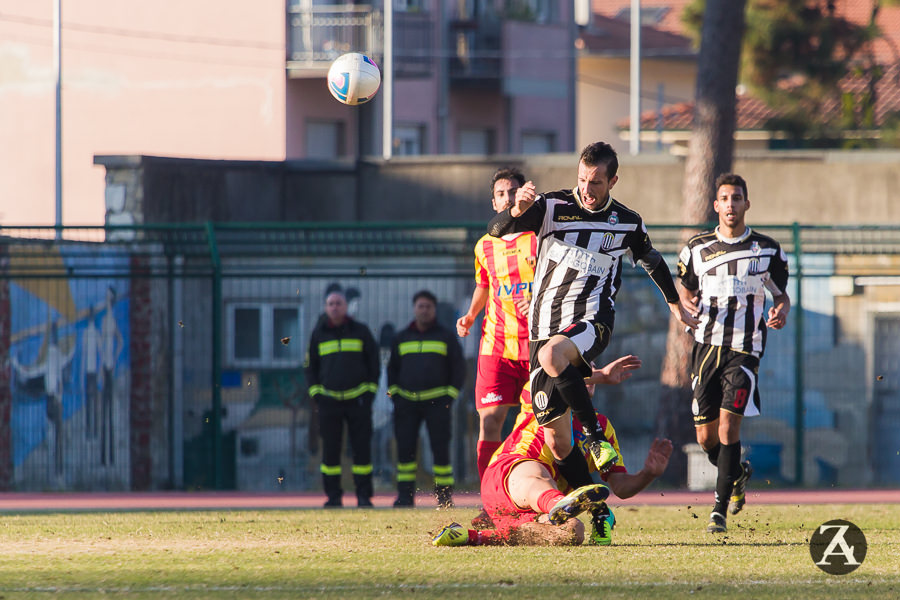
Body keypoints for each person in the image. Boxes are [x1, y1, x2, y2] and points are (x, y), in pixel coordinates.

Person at [486, 141, 697, 498]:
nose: (586, 189)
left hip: (592, 320)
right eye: (582, 179)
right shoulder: (553, 206)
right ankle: (597, 506)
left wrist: (675, 303)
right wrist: (516, 210)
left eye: (596, 182)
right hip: (544, 328)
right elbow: (496, 231)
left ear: (613, 181)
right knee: (558, 441)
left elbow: (653, 261)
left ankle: (597, 439)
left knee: (552, 356)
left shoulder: (627, 222)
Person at [432, 355, 673, 547]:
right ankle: (558, 503)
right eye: (578, 369)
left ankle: (472, 537)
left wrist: (648, 474)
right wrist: (599, 376)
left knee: (574, 532)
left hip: (531, 509)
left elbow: (620, 486)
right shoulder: (542, 397)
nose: (585, 374)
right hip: (510, 479)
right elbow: (555, 372)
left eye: (589, 368)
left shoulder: (602, 427)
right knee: (537, 472)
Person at [676, 173, 790, 534]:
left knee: (728, 427)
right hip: (705, 348)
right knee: (706, 438)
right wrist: (685, 306)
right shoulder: (697, 249)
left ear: (746, 204)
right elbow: (684, 290)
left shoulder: (767, 250)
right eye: (724, 198)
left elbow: (781, 294)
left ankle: (718, 511)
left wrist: (781, 310)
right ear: (715, 205)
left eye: (736, 198)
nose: (730, 205)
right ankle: (737, 473)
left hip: (745, 350)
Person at [456, 167, 535, 482]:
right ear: (493, 203)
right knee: (489, 422)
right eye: (501, 193)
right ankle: (490, 500)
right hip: (496, 345)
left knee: (541, 422)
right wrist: (472, 315)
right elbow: (484, 285)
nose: (508, 198)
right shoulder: (484, 245)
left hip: (538, 346)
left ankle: (535, 491)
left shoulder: (540, 237)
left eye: (513, 191)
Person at [388, 290, 466, 508]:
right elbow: (392, 369)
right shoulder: (401, 337)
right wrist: (395, 395)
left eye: (428, 307)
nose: (424, 310)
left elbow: (458, 369)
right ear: (414, 309)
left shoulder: (446, 337)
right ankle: (405, 497)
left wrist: (449, 396)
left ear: (434, 310)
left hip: (437, 403)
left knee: (440, 451)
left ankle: (444, 498)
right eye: (420, 306)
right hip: (406, 404)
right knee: (405, 451)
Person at [305, 290, 380, 508]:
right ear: (326, 308)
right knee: (330, 451)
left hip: (358, 401)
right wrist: (316, 393)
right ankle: (333, 497)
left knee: (361, 449)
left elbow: (373, 364)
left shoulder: (361, 331)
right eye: (330, 304)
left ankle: (364, 496)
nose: (335, 307)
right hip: (329, 402)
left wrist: (369, 393)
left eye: (338, 303)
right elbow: (310, 367)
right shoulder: (318, 334)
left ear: (346, 306)